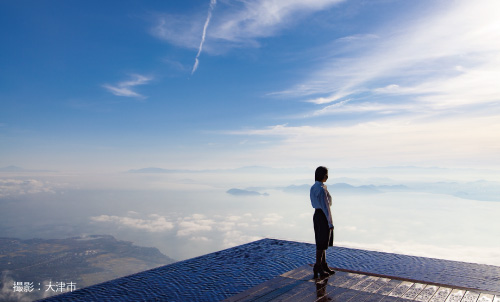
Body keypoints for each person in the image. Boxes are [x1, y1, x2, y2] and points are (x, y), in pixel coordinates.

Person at [310, 166, 335, 278]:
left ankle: (323, 265)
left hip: (316, 215)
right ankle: (318, 266)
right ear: (322, 175)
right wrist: (330, 223)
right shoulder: (321, 189)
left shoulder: (314, 187)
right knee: (322, 243)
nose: (327, 177)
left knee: (321, 241)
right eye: (326, 174)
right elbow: (326, 207)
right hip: (323, 216)